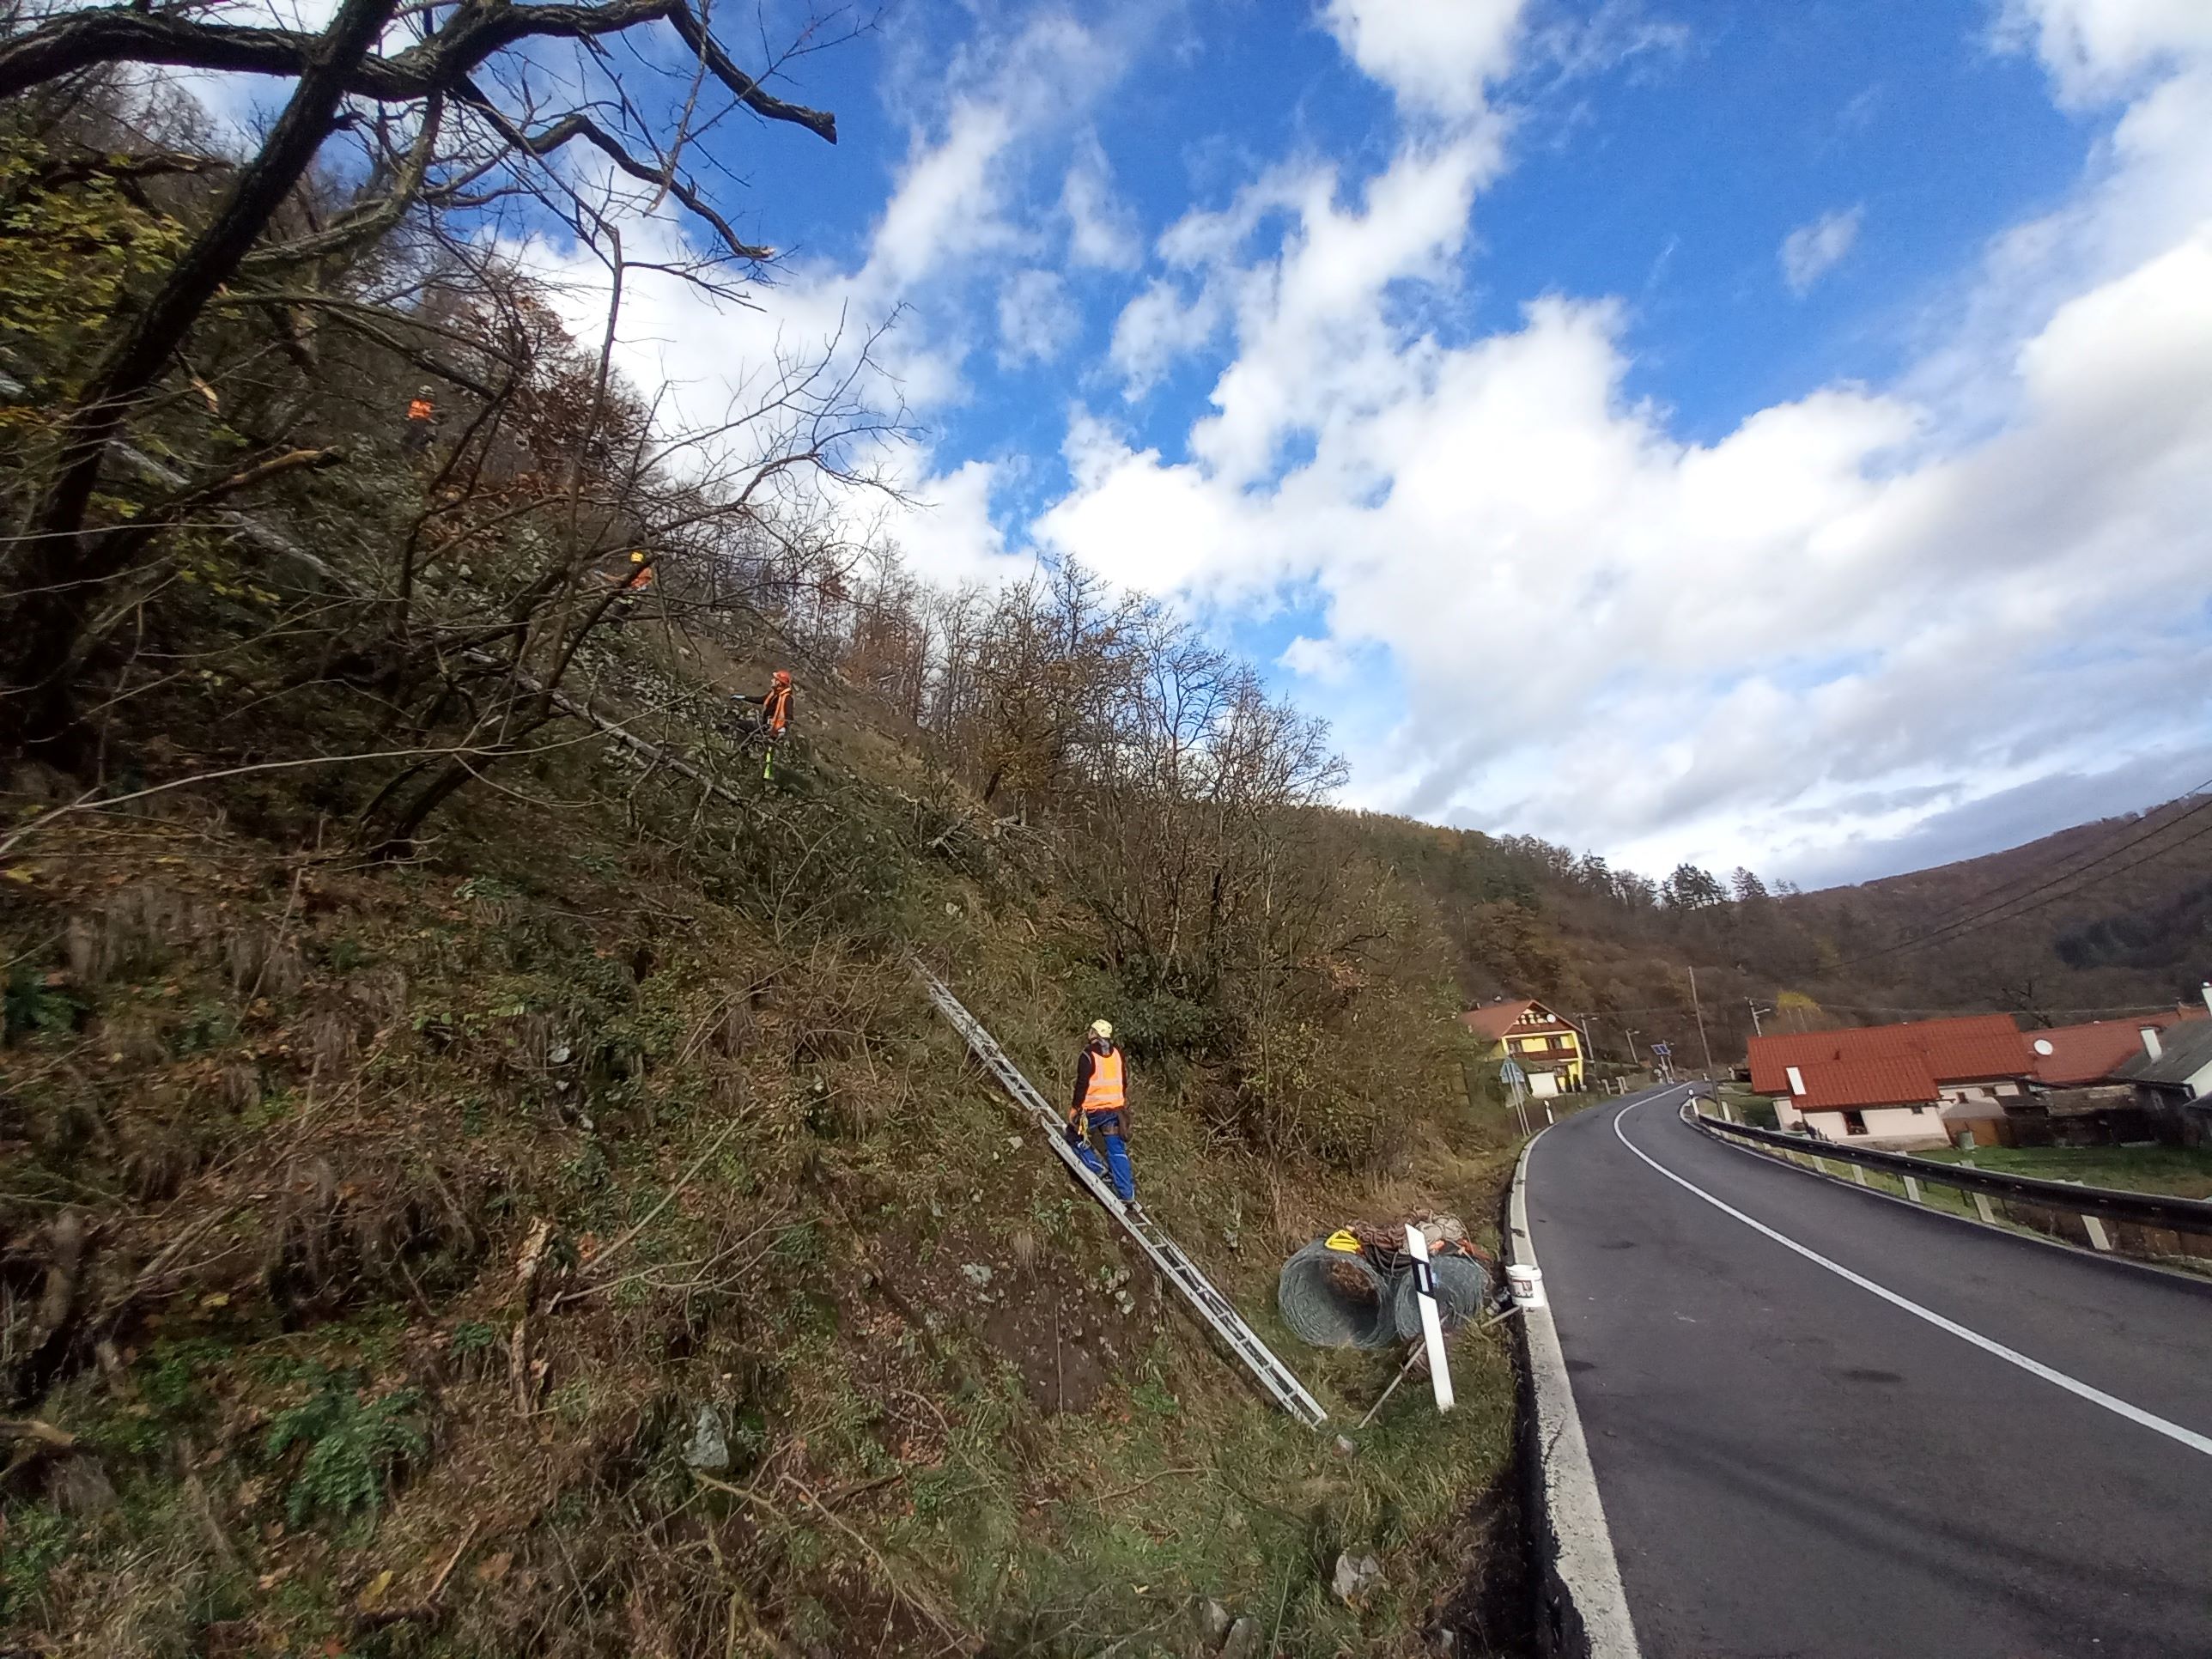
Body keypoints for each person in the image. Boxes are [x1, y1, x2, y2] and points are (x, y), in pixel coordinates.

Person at [1066, 1018, 1139, 1209]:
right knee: (1116, 1150)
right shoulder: (1117, 1055)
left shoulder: (1088, 1056)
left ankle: (1098, 1169)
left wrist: (1075, 1109)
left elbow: (1082, 1085)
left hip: (1092, 1112)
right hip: (1115, 1111)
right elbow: (1123, 1082)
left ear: (1095, 1034)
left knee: (1074, 1136)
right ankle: (1127, 1192)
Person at [736, 669, 794, 739]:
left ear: (779, 682)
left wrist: (784, 728)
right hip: (766, 725)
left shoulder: (787, 698)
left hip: (773, 729)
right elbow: (760, 700)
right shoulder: (774, 694)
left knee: (742, 726)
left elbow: (789, 716)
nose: (772, 681)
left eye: (774, 679)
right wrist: (744, 697)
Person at [402, 385, 437, 455]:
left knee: (431, 435)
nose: (422, 396)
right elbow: (412, 413)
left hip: (423, 426)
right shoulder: (415, 403)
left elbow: (431, 417)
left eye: (424, 395)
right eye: (421, 394)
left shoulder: (430, 406)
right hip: (415, 425)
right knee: (408, 440)